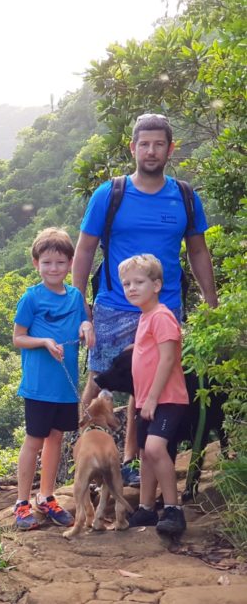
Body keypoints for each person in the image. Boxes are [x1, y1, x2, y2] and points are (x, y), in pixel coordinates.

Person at [72, 113, 217, 486]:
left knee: (150, 382)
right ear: (133, 147)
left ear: (170, 149)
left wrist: (211, 304)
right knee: (99, 378)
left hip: (165, 307)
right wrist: (79, 305)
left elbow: (198, 252)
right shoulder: (111, 193)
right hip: (113, 305)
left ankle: (132, 460)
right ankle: (85, 454)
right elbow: (85, 249)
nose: (151, 151)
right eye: (144, 144)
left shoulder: (183, 196)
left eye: (159, 144)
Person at [12, 227, 95, 530]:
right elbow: (18, 338)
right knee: (34, 440)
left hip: (65, 385)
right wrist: (44, 341)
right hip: (38, 385)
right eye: (46, 262)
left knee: (56, 439)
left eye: (60, 263)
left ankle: (46, 496)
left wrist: (87, 328)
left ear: (70, 264)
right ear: (36, 264)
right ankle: (22, 503)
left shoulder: (75, 297)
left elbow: (85, 322)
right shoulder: (31, 299)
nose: (53, 268)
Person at [118, 254, 189, 535]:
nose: (131, 288)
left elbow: (168, 359)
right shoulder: (145, 317)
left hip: (167, 398)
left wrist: (152, 397)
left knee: (157, 449)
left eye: (139, 282)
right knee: (146, 453)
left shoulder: (161, 316)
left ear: (157, 285)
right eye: (126, 284)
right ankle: (147, 508)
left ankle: (173, 508)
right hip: (149, 399)